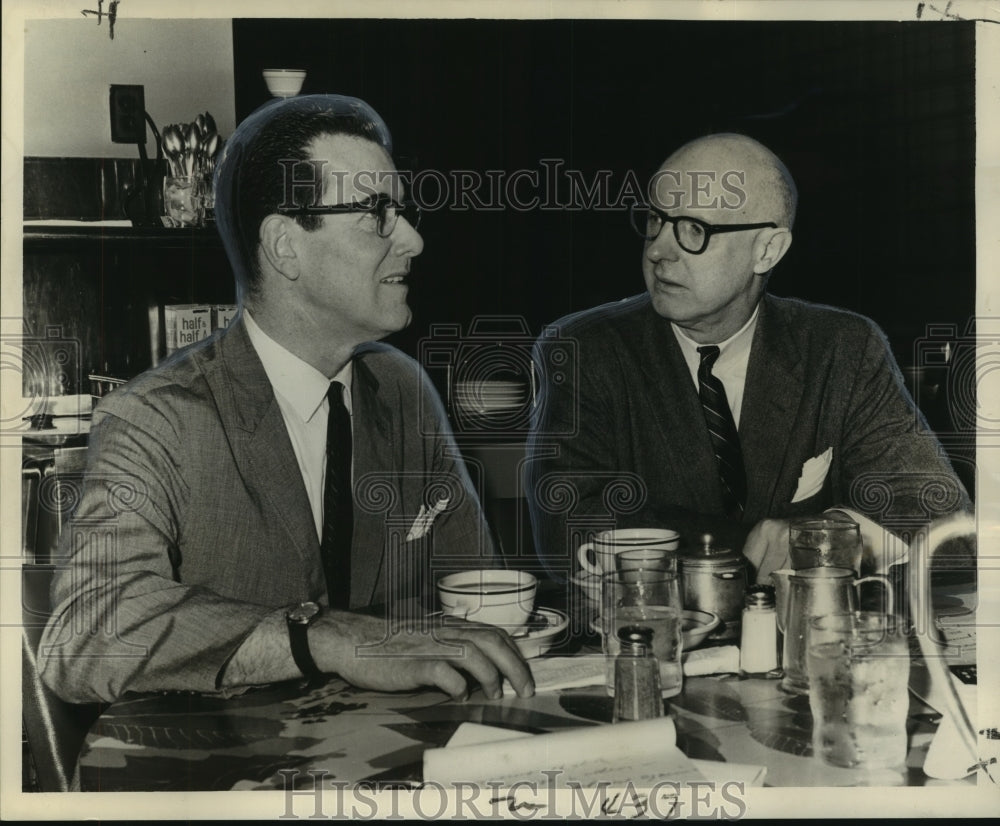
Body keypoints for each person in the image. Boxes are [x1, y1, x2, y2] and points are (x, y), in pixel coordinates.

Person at [39, 95, 533, 704]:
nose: (412, 240)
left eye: (403, 211)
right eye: (377, 212)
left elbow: (479, 597)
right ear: (284, 246)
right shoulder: (156, 420)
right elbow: (86, 637)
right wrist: (322, 637)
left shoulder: (402, 389)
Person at [526, 133, 971, 584]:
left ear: (767, 250)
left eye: (694, 230)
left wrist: (832, 533)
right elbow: (570, 528)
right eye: (655, 221)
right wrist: (758, 546)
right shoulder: (584, 350)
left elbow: (947, 522)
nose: (659, 251)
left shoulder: (843, 349)